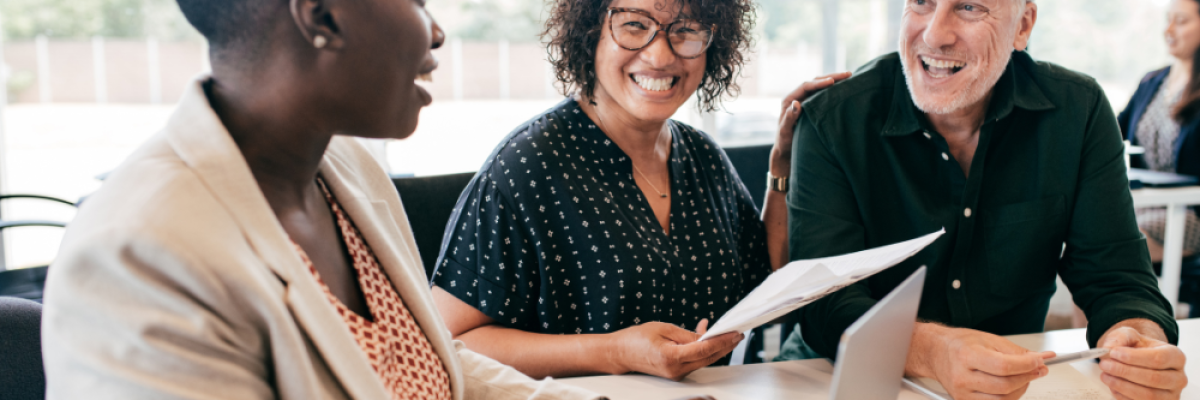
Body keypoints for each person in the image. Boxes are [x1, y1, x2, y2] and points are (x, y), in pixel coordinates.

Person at [40, 0, 604, 399]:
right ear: (322, 16)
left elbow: (421, 362)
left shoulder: (346, 168)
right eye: (416, 1)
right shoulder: (139, 253)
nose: (436, 33)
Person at [779, 0, 1188, 399]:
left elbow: (1116, 277)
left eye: (969, 7)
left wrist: (1136, 340)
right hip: (836, 377)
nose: (935, 34)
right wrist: (934, 350)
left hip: (1012, 382)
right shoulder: (831, 119)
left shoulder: (1078, 111)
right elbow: (824, 303)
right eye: (921, 2)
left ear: (1023, 26)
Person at [430, 0, 849, 380]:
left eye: (685, 30)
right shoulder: (526, 167)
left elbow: (770, 280)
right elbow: (451, 341)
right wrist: (614, 351)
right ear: (590, 32)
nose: (660, 54)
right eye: (634, 25)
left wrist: (783, 168)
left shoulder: (703, 156)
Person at [1120, 0, 1200, 264]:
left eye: (1181, 21)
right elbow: (1111, 132)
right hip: (1148, 203)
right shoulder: (1152, 81)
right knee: (1087, 235)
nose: (1168, 29)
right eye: (1167, 19)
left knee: (1113, 248)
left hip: (1189, 212)